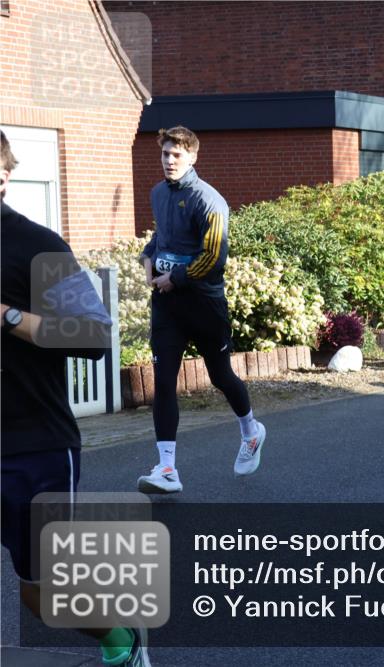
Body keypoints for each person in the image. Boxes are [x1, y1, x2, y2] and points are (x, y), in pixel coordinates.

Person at [1, 131, 148, 665]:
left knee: (41, 591)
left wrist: (8, 316)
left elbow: (91, 336)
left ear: (4, 174)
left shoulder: (37, 247)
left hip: (31, 443)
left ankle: (121, 639)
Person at [137, 126, 266, 494]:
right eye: (165, 154)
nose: (170, 161)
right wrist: (148, 259)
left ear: (193, 157)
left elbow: (213, 257)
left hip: (204, 303)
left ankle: (251, 431)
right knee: (163, 383)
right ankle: (166, 469)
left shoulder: (210, 200)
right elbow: (161, 236)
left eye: (177, 155)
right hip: (167, 306)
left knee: (220, 376)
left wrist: (174, 278)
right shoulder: (158, 193)